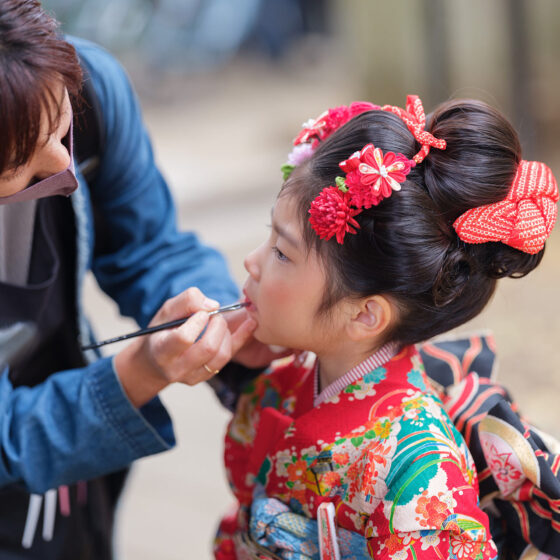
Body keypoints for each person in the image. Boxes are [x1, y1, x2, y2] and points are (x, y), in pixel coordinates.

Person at [214, 95, 559, 559]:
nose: (251, 262)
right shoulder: (277, 388)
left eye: (282, 252)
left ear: (365, 315)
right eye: (269, 236)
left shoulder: (420, 465)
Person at [0, 0, 262, 557]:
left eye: (59, 126)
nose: (61, 167)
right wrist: (140, 371)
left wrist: (218, 313)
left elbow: (148, 246)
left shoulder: (91, 91)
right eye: (20, 164)